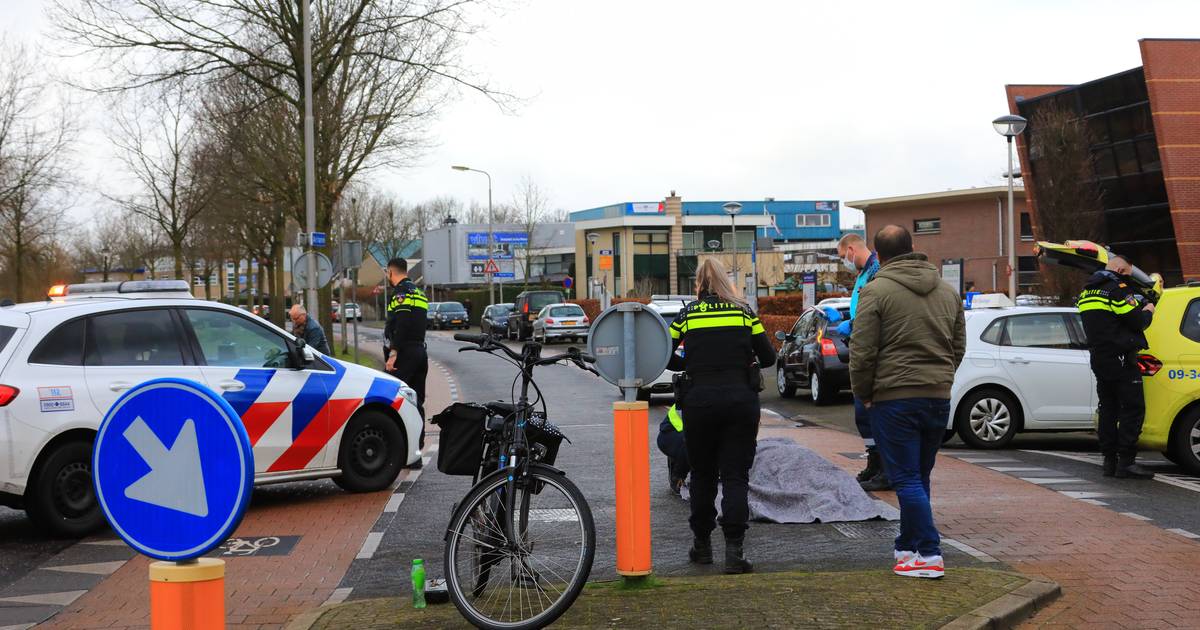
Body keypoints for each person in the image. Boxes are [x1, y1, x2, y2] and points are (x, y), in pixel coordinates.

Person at [850, 225, 965, 580]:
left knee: (906, 479)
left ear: (878, 255)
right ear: (913, 247)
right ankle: (909, 545)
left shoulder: (875, 291)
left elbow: (863, 350)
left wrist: (864, 393)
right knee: (919, 476)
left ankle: (929, 553)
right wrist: (942, 379)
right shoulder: (947, 291)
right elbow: (958, 346)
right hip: (936, 396)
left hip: (894, 398)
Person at [668, 257, 776, 574]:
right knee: (735, 476)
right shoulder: (744, 313)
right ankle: (734, 552)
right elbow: (768, 357)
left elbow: (665, 354)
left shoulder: (687, 314)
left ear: (699, 284)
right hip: (740, 402)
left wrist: (689, 365)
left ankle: (702, 547)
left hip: (699, 403)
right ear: (726, 282)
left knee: (702, 475)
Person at [1078, 254, 1156, 479]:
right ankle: (1127, 463)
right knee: (1133, 409)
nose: (1129, 281)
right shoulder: (1118, 289)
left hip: (1100, 358)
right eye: (1129, 276)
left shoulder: (1087, 291)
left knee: (1108, 409)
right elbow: (1137, 321)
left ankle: (1109, 461)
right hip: (1122, 358)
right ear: (1122, 270)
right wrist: (1148, 310)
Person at [836, 232, 890, 492]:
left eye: (842, 256)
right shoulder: (864, 274)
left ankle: (884, 469)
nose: (843, 262)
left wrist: (853, 325)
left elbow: (874, 314)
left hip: (872, 353)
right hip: (861, 347)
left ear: (851, 250)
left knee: (871, 413)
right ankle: (874, 463)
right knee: (863, 416)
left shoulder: (875, 273)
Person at [384, 258, 430, 453]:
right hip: (420, 352)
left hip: (405, 354)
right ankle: (417, 449)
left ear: (390, 272)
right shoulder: (419, 292)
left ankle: (400, 449)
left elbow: (402, 324)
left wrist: (393, 352)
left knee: (392, 398)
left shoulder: (400, 293)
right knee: (416, 401)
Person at [656, 404, 689, 495]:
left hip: (682, 436)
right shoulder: (691, 400)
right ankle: (677, 477)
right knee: (694, 444)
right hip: (669, 437)